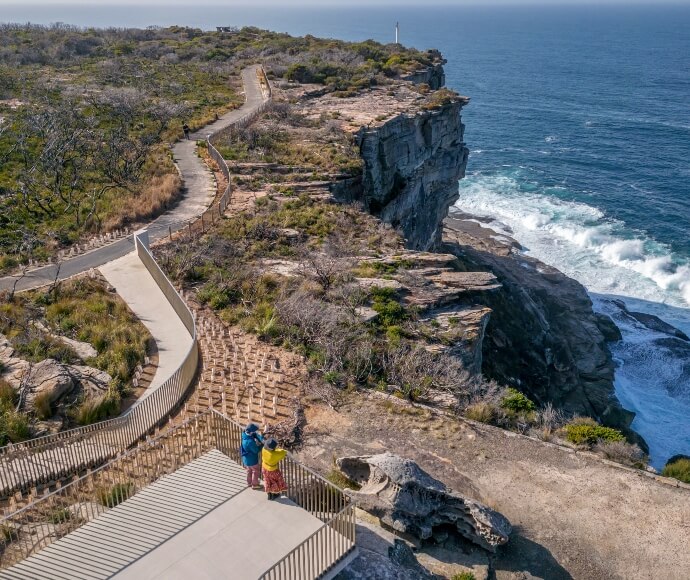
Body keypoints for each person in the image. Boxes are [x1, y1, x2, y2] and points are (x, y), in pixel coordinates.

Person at [240, 423, 264, 490]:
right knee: (255, 471)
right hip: (252, 460)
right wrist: (261, 445)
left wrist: (256, 436)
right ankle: (255, 484)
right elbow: (256, 450)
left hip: (246, 459)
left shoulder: (244, 435)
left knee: (249, 471)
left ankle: (249, 483)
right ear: (251, 432)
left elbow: (254, 434)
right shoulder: (250, 442)